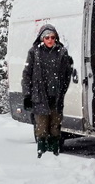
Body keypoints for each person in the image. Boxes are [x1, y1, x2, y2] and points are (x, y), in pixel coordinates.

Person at [22, 24, 74, 158]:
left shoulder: (61, 52)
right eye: (47, 37)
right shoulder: (34, 52)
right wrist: (27, 95)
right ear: (41, 39)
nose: (50, 40)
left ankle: (55, 153)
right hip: (39, 97)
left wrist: (62, 90)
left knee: (55, 127)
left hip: (56, 97)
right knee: (41, 127)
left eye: (52, 37)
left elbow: (67, 74)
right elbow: (27, 75)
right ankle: (42, 154)